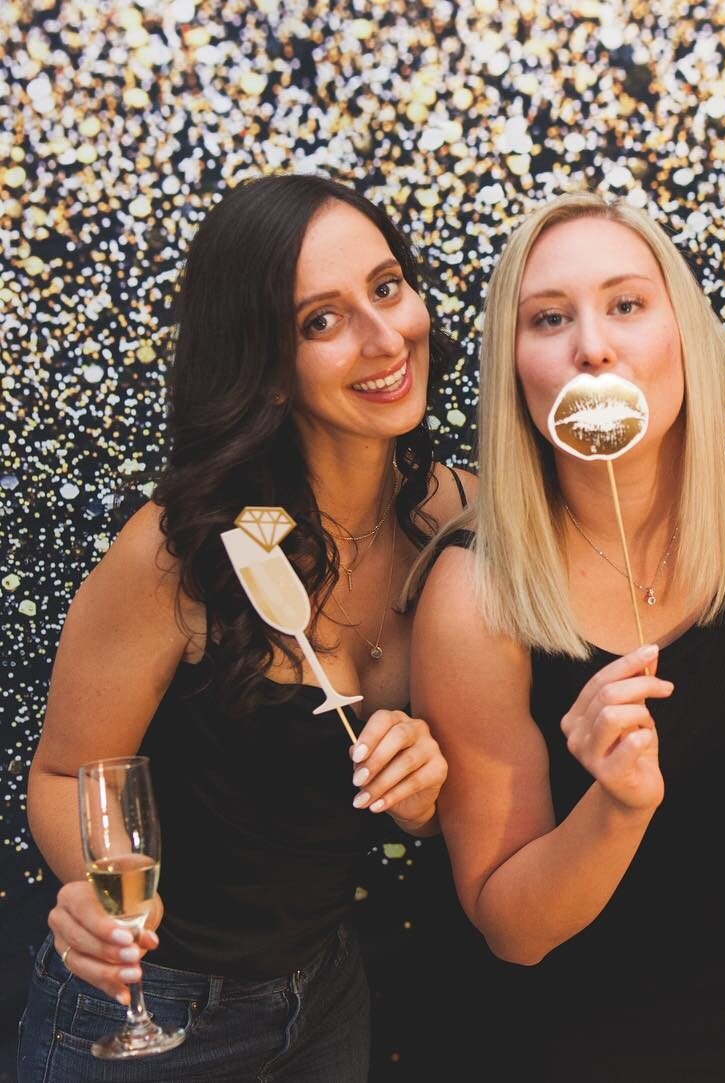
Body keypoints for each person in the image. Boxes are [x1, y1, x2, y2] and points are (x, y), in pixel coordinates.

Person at [19, 174, 469, 1081]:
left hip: (329, 995)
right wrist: (106, 906)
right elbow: (64, 772)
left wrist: (426, 798)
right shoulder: (177, 552)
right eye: (321, 320)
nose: (386, 339)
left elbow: (453, 795)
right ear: (263, 365)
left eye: (387, 288)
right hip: (149, 1011)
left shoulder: (453, 512)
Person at [410, 190, 725, 1080]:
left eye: (626, 304)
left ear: (679, 329)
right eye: (548, 318)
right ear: (515, 366)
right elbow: (510, 927)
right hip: (587, 1032)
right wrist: (615, 806)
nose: (594, 346)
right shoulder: (474, 591)